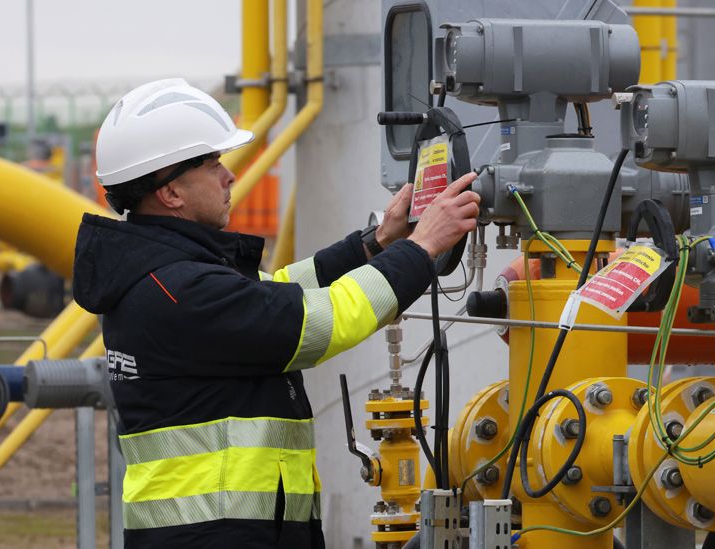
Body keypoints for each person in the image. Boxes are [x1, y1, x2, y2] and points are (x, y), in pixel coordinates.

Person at [72, 78, 480, 548]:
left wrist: (376, 244)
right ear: (171, 193)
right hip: (218, 538)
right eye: (213, 165)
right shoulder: (182, 290)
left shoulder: (165, 276)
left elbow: (272, 296)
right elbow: (315, 322)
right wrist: (422, 246)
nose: (229, 177)